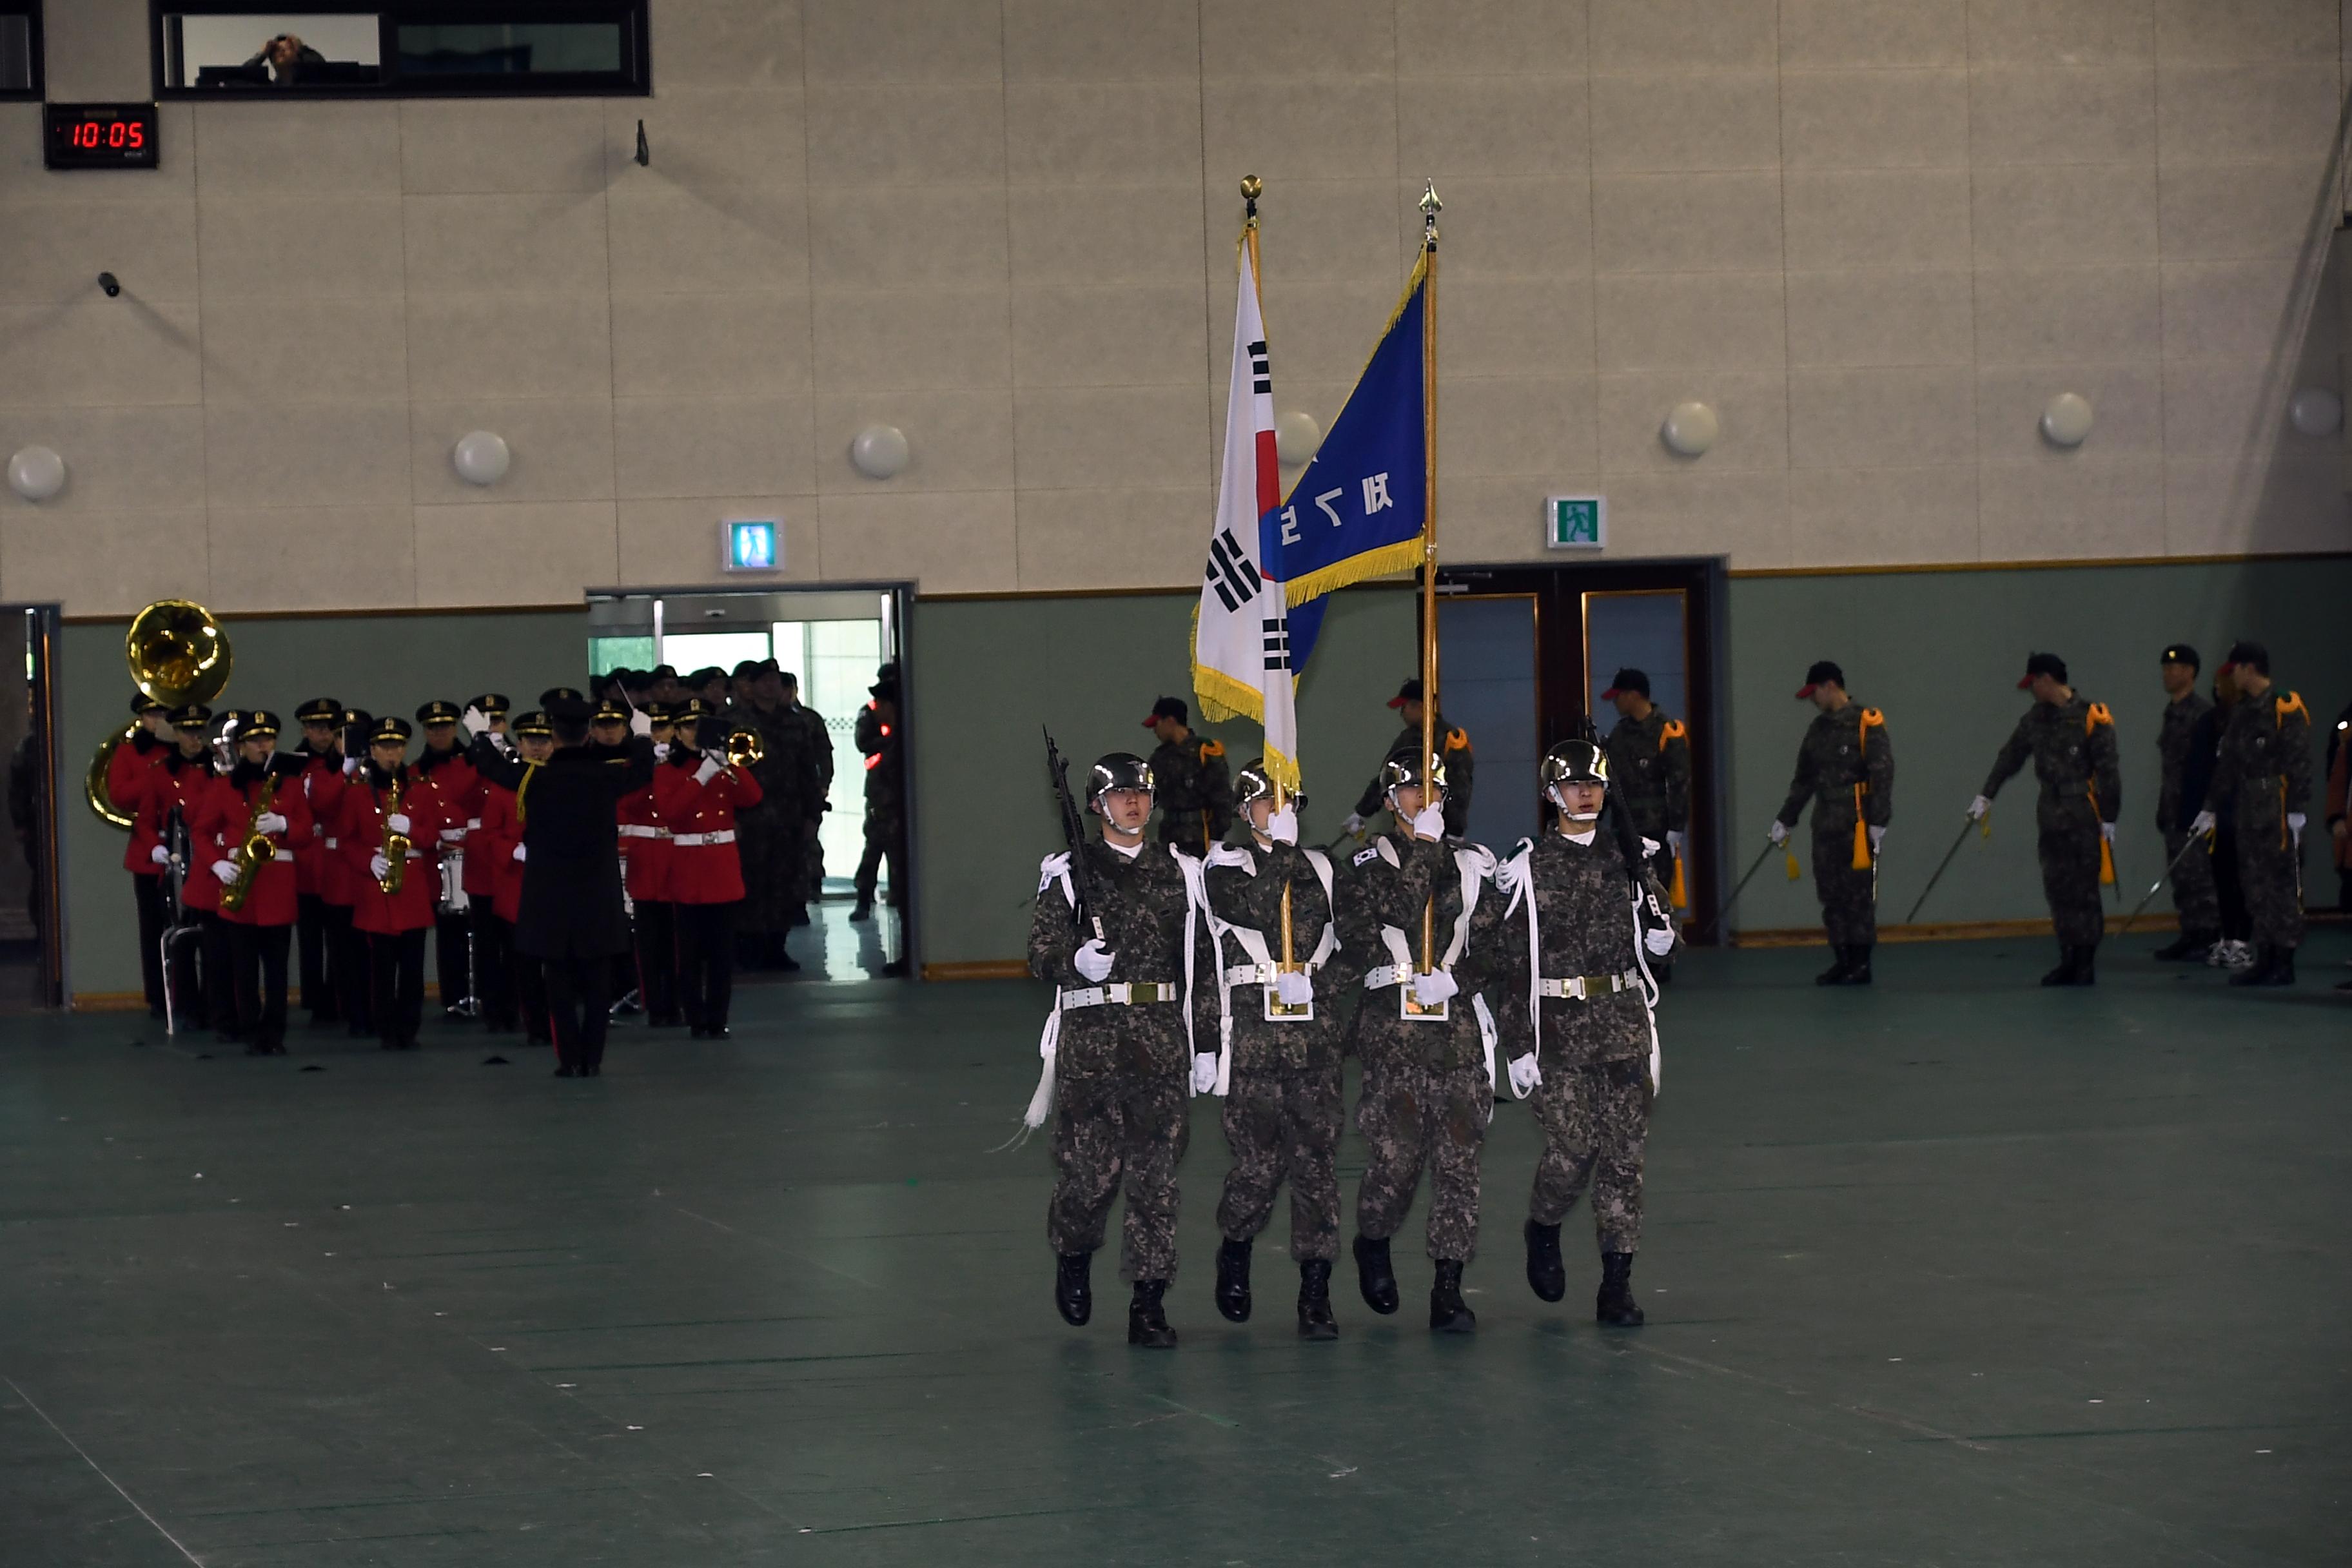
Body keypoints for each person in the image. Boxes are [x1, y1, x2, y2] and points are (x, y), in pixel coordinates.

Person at [1025, 752, 1215, 1349]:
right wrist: (1072, 961)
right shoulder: (1068, 872)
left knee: (1156, 1182)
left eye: (1142, 793)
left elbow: (1201, 963)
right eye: (1120, 794)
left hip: (1158, 1042)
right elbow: (1039, 952)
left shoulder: (1181, 872)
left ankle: (1149, 1302)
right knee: (1089, 1178)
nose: (1133, 802)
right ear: (1097, 806)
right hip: (1093, 1045)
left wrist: (1207, 1043)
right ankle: (1074, 1252)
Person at [1496, 738, 1678, 1326]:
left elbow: (1658, 922)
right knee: (1574, 1150)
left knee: (1625, 1158)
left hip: (1623, 1019)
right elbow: (1513, 964)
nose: (1587, 792)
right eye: (1575, 784)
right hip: (1560, 1030)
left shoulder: (1629, 856)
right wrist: (1518, 1046)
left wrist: (1662, 940)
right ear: (1552, 795)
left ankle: (1617, 1283)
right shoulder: (1529, 867)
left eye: (1595, 783)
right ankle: (1544, 1225)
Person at [1340, 745, 1513, 1333]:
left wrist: (1459, 979)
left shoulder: (1473, 865)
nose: (1423, 799)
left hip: (1457, 1027)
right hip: (1393, 1029)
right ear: (1391, 802)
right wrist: (1426, 850)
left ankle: (1448, 1287)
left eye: (1432, 790)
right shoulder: (1366, 866)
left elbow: (1498, 945)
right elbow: (1389, 915)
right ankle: (1374, 1238)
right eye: (1412, 791)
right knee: (1398, 1159)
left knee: (1460, 1162)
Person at [1199, 762, 1351, 1339]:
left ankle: (1316, 1291)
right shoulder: (1224, 869)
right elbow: (1259, 910)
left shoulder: (1323, 868)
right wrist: (1283, 854)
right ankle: (1235, 1248)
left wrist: (1322, 983)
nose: (1276, 811)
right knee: (1257, 1168)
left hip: (1313, 1038)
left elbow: (1357, 941)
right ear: (1245, 812)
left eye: (1285, 801)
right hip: (1255, 1042)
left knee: (1317, 1168)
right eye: (1264, 803)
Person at [466, 691, 655, 1076]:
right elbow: (643, 770)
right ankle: (593, 1059)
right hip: (596, 893)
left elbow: (492, 768)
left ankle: (569, 1059)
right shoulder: (607, 776)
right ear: (588, 733)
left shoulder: (536, 777)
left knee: (559, 982)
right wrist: (643, 737)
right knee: (598, 980)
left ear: (553, 734)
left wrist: (479, 736)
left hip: (549, 893)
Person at [1972, 653, 2121, 986]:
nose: (2031, 691)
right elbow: (2010, 755)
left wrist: (2110, 818)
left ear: (2046, 680)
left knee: (2083, 890)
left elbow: (2109, 772)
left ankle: (2085, 963)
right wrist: (1987, 794)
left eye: (2033, 684)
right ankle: (2068, 957)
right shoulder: (2035, 720)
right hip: (2050, 812)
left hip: (2083, 812)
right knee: (2058, 888)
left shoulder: (2092, 717)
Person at [2191, 642, 2311, 987]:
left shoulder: (2284, 706)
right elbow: (2227, 764)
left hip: (2277, 808)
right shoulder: (2242, 712)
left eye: (2236, 670)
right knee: (2255, 886)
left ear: (2249, 669)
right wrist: (2210, 808)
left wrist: (2297, 810)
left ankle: (2284, 961)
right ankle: (2266, 956)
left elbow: (2299, 763)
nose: (2233, 678)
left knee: (2281, 886)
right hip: (2248, 810)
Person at [1769, 661, 1893, 985]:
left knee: (1858, 898)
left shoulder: (1866, 723)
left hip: (1858, 826)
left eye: (1814, 693)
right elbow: (1804, 780)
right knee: (1831, 895)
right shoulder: (1818, 730)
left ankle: (1861, 964)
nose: (1812, 700)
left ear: (1830, 686)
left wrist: (1879, 820)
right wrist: (1786, 818)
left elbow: (1882, 773)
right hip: (1825, 826)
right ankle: (1842, 960)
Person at [657, 700, 763, 1039]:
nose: (693, 734)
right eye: (687, 727)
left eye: (699, 727)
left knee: (721, 954)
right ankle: (695, 1017)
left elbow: (752, 797)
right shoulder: (667, 769)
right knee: (689, 953)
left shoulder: (722, 764)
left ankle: (717, 1018)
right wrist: (700, 777)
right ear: (677, 732)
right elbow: (672, 812)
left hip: (721, 865)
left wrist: (729, 765)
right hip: (689, 865)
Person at [208, 711, 311, 1057]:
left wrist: (284, 823)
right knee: (244, 970)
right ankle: (251, 1030)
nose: (263, 746)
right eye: (255, 741)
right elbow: (201, 831)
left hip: (278, 890)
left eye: (268, 740)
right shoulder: (224, 787)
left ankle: (275, 1032)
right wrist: (217, 863)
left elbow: (306, 832)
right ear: (241, 747)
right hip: (242, 887)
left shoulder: (292, 785)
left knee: (278, 972)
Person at [342, 715, 446, 1052]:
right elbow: (347, 841)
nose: (392, 754)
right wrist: (367, 861)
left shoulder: (420, 789)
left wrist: (411, 828)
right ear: (372, 750)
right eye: (385, 747)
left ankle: (409, 1028)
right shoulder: (358, 794)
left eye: (398, 746)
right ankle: (386, 1027)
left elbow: (432, 837)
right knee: (382, 968)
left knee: (413, 968)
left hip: (412, 885)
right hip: (378, 884)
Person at [141, 704, 225, 1031]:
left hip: (209, 861)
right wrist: (156, 847)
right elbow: (147, 819)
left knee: (214, 939)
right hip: (177, 860)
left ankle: (214, 1003)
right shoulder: (161, 771)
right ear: (176, 734)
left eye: (198, 732)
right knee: (181, 934)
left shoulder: (216, 769)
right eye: (187, 733)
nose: (194, 739)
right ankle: (185, 1003)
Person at [1599, 667, 1692, 934]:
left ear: (1633, 695)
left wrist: (1676, 826)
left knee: (1656, 894)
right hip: (1625, 828)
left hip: (1657, 828)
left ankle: (1660, 958)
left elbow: (1680, 783)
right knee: (1628, 893)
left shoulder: (1666, 731)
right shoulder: (1619, 734)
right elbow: (1608, 780)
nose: (1615, 703)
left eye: (1619, 696)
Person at [475, 710, 548, 1040]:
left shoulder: (561, 780)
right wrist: (514, 850)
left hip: (555, 883)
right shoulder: (505, 784)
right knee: (520, 960)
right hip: (516, 881)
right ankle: (528, 1020)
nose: (538, 748)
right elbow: (488, 834)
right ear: (518, 744)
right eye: (531, 741)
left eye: (544, 741)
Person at [2151, 645, 2220, 962]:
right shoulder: (2170, 713)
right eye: (2166, 667)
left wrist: (2208, 808)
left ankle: (2207, 936)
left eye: (2176, 668)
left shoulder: (2204, 714)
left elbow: (2212, 768)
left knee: (2200, 878)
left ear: (2191, 672)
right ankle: (2190, 933)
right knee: (2181, 878)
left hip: (2195, 809)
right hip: (2173, 809)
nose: (2169, 673)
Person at [2181, 671, 2253, 971]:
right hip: (2218, 817)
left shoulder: (2250, 721)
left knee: (2245, 881)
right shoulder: (2209, 722)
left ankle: (2245, 940)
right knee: (2223, 880)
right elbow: (2199, 770)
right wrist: (2199, 812)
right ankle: (2229, 937)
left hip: (2248, 816)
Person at [413, 700, 479, 1021]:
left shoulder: (475, 763)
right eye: (432, 728)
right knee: (448, 930)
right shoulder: (416, 772)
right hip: (438, 857)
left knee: (485, 929)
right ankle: (453, 995)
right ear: (425, 732)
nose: (439, 733)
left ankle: (484, 993)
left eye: (445, 727)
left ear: (456, 729)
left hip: (477, 855)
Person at [1347, 680, 1475, 841]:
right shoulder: (1412, 737)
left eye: (1404, 707)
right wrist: (1361, 812)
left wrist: (1454, 831)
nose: (1401, 714)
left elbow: (1460, 788)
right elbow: (1387, 778)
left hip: (1437, 830)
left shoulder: (1450, 740)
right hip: (1412, 830)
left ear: (1419, 706)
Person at [619, 702, 680, 1028]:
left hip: (676, 856)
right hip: (645, 858)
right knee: (647, 942)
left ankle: (677, 1002)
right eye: (652, 728)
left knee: (678, 942)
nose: (659, 733)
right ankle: (655, 1004)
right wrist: (646, 768)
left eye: (664, 726)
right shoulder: (633, 768)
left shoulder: (682, 765)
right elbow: (625, 802)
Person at [115, 693, 174, 1017]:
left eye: (164, 713)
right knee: (152, 929)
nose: (159, 720)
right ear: (142, 718)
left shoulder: (179, 751)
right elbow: (119, 794)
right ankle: (158, 997)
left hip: (184, 848)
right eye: (153, 715)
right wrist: (152, 777)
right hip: (148, 853)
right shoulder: (128, 753)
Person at [288, 698, 345, 1024]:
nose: (321, 735)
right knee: (310, 937)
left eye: (327, 728)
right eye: (314, 728)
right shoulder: (294, 764)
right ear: (305, 730)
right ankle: (314, 999)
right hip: (308, 859)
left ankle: (338, 996)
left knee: (340, 936)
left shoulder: (349, 761)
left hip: (338, 860)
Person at [1142, 696, 1235, 856]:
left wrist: (1215, 837)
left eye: (1157, 724)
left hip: (1201, 838)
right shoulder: (1160, 757)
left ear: (1170, 721)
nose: (1155, 731)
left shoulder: (1205, 751)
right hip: (1169, 838)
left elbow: (1222, 798)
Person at [851, 669, 906, 925]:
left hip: (895, 807)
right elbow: (864, 743)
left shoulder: (906, 738)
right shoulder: (872, 717)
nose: (878, 708)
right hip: (878, 802)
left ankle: (900, 902)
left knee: (899, 860)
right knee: (872, 851)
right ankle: (864, 899)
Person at [781, 669, 834, 917]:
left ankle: (811, 888)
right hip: (781, 794)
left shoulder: (809, 719)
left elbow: (824, 754)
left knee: (809, 842)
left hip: (806, 792)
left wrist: (823, 785)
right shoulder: (772, 720)